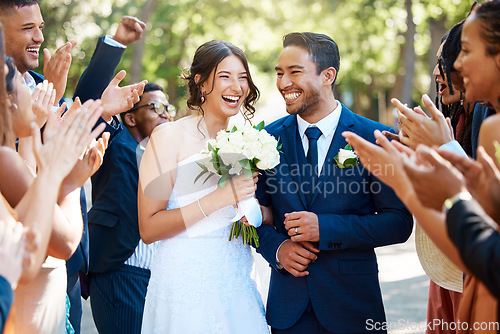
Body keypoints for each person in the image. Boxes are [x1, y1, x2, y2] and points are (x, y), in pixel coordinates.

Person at [255, 32, 413, 334]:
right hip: (289, 311)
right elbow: (250, 215)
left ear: (328, 75)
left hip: (353, 306)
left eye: (294, 72)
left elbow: (399, 222)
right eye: (279, 73)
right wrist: (278, 249)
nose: (283, 83)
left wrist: (325, 228)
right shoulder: (264, 139)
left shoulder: (376, 139)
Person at [138, 40, 269, 333]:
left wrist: (251, 211)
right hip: (185, 281)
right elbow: (148, 228)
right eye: (225, 76)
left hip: (237, 277)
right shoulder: (166, 137)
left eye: (243, 77)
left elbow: (250, 210)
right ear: (200, 81)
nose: (237, 86)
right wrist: (219, 198)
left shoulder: (247, 139)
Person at [0, 56, 107, 333]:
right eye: (26, 85)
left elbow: (28, 233)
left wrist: (42, 147)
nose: (35, 92)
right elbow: (62, 243)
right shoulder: (3, 161)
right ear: (8, 98)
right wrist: (70, 179)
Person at [87, 83, 174, 334]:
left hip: (158, 277)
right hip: (120, 268)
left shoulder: (167, 160)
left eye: (168, 107)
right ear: (130, 118)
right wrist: (114, 45)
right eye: (156, 107)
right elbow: (93, 111)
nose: (165, 113)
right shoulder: (115, 142)